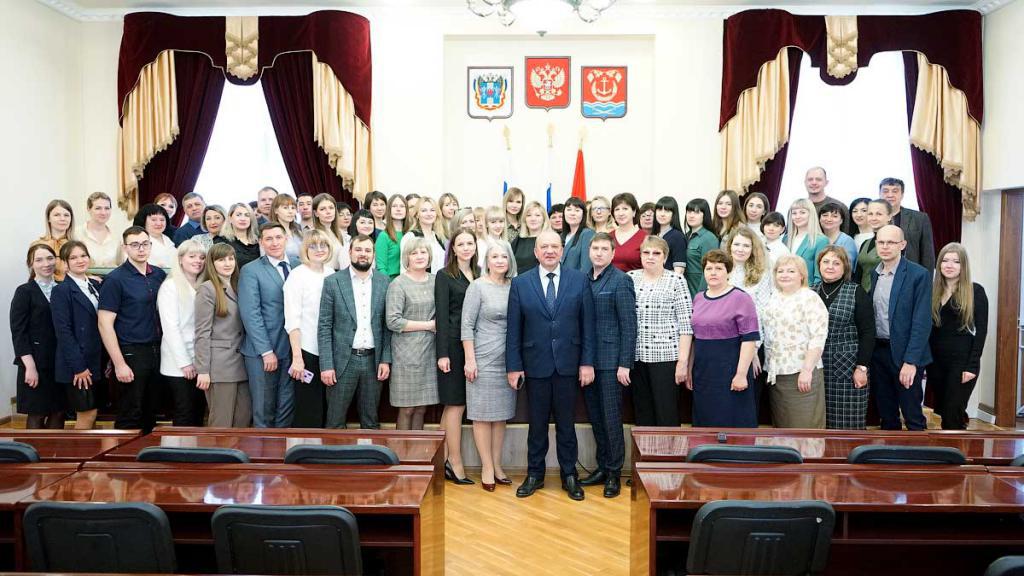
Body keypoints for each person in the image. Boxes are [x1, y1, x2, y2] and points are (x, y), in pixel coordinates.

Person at [507, 229, 596, 501]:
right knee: (537, 425)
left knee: (567, 425)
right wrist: (514, 366)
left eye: (554, 246)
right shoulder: (520, 283)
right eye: (544, 247)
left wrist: (587, 363)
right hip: (535, 365)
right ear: (536, 252)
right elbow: (514, 329)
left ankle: (570, 474)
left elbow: (588, 326)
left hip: (569, 365)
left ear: (562, 251)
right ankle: (535, 474)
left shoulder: (579, 280)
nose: (549, 251)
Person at [581, 233, 636, 498]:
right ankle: (602, 467)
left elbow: (629, 325)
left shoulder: (621, 280)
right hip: (587, 361)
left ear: (613, 254)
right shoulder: (583, 279)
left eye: (605, 249)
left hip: (612, 362)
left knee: (612, 419)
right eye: (596, 248)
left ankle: (614, 472)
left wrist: (625, 363)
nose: (599, 252)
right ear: (589, 251)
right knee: (596, 418)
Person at [98, 226, 168, 432]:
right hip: (131, 352)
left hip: (157, 350)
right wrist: (119, 363)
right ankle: (124, 453)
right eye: (135, 245)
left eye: (145, 244)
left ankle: (147, 452)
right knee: (130, 413)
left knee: (151, 412)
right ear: (125, 248)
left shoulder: (158, 275)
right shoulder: (115, 279)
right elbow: (104, 324)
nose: (141, 249)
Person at [320, 235, 392, 429]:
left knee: (371, 422)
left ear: (373, 255)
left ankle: (370, 450)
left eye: (368, 250)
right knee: (335, 421)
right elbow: (324, 326)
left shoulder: (384, 282)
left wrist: (385, 359)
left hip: (373, 361)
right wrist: (326, 365)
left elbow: (387, 326)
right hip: (342, 362)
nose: (363, 254)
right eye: (358, 249)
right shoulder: (333, 282)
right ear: (350, 252)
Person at [462, 239, 517, 492]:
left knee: (500, 416)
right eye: (494, 257)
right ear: (487, 261)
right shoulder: (477, 286)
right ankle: (486, 467)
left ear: (510, 261)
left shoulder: (515, 286)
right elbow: (466, 326)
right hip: (482, 359)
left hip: (508, 361)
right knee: (482, 416)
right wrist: (470, 359)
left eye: (504, 257)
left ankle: (497, 465)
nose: (500, 261)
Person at [870, 225, 933, 431]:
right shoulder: (874, 273)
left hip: (906, 355)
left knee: (912, 415)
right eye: (881, 242)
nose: (885, 246)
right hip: (879, 352)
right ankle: (889, 451)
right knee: (887, 415)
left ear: (902, 245)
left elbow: (922, 322)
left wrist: (911, 361)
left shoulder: (918, 275)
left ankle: (919, 452)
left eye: (891, 242)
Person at [690, 250, 759, 427]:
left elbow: (749, 339)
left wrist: (741, 374)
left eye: (719, 268)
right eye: (709, 268)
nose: (713, 273)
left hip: (730, 373)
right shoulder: (698, 298)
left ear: (728, 271)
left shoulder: (741, 298)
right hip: (704, 374)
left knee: (733, 424)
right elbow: (694, 338)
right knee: (705, 424)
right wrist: (689, 369)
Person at [628, 236, 692, 426]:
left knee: (667, 413)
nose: (650, 257)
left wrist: (683, 362)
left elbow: (686, 324)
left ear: (665, 257)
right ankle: (646, 447)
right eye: (646, 252)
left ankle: (669, 448)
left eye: (656, 253)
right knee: (642, 414)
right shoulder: (630, 278)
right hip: (636, 357)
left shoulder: (676, 280)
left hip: (665, 357)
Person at [761, 255, 829, 428]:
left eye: (791, 271)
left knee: (804, 429)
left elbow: (818, 337)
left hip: (801, 373)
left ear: (802, 275)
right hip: (776, 374)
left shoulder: (809, 298)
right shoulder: (773, 298)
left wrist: (807, 370)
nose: (784, 275)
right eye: (780, 271)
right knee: (782, 430)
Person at [239, 223, 295, 428]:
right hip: (263, 352)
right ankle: (263, 449)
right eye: (268, 239)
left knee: (287, 407)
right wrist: (266, 351)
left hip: (292, 349)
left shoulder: (298, 265)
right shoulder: (251, 270)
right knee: (264, 410)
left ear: (286, 238)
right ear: (261, 242)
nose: (274, 243)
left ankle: (282, 448)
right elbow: (250, 314)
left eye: (278, 237)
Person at [928, 243, 988, 430]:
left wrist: (972, 366)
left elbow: (981, 332)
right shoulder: (932, 291)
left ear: (964, 266)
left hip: (962, 362)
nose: (949, 265)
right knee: (944, 411)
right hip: (935, 362)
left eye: (956, 261)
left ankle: (956, 447)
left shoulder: (975, 291)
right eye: (945, 260)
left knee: (952, 414)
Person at [813, 246, 875, 430]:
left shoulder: (856, 292)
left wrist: (862, 367)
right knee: (817, 422)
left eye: (836, 263)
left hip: (847, 369)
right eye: (826, 262)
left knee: (847, 424)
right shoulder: (810, 292)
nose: (830, 266)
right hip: (816, 367)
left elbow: (868, 333)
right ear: (819, 265)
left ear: (845, 267)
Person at [436, 230, 479, 485]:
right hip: (452, 348)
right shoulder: (444, 276)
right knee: (456, 404)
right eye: (460, 244)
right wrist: (442, 354)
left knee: (453, 406)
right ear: (452, 248)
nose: (465, 247)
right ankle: (455, 461)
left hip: (473, 346)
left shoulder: (480, 273)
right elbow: (442, 316)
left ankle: (440, 461)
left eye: (469, 243)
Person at [194, 243, 251, 427]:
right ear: (212, 263)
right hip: (220, 366)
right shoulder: (207, 289)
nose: (227, 263)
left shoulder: (238, 285)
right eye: (221, 260)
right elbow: (202, 332)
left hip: (242, 363)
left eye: (230, 258)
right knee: (221, 422)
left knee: (243, 419)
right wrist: (203, 370)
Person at [386, 237, 439, 430]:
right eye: (414, 253)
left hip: (429, 353)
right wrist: (428, 325)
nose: (419, 256)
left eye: (423, 252)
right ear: (406, 257)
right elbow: (393, 321)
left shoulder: (436, 280)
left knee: (422, 409)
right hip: (406, 355)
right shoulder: (398, 284)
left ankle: (418, 449)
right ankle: (401, 449)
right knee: (407, 409)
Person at [284, 230, 335, 428]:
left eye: (323, 245)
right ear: (305, 249)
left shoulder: (331, 274)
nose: (319, 249)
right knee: (308, 409)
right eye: (313, 246)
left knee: (326, 408)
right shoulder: (297, 276)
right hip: (306, 351)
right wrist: (298, 358)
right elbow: (292, 321)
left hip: (329, 352)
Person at [11, 243, 64, 429]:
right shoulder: (24, 292)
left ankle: (55, 449)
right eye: (39, 260)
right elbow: (18, 332)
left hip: (59, 362)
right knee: (37, 412)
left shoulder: (62, 288)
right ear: (31, 264)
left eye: (50, 258)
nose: (46, 264)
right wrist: (30, 367)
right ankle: (30, 449)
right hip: (35, 363)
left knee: (59, 411)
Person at [51, 241, 102, 429]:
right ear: (65, 263)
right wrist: (79, 367)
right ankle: (79, 448)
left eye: (83, 255)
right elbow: (63, 332)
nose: (80, 260)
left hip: (95, 360)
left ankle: (89, 449)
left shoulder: (95, 285)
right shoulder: (61, 291)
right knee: (87, 414)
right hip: (77, 364)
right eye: (73, 257)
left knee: (94, 414)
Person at [156, 239, 207, 426]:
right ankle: (178, 446)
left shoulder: (202, 285)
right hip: (179, 364)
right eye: (192, 256)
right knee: (185, 413)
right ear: (180, 259)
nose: (198, 261)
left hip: (199, 358)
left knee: (198, 413)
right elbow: (171, 328)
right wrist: (184, 363)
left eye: (201, 257)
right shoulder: (170, 286)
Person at [879, 177, 936, 270]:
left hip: (910, 273)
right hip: (880, 272)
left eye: (895, 191)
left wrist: (926, 278)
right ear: (880, 194)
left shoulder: (920, 218)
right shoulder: (872, 218)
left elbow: (927, 254)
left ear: (902, 195)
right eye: (885, 191)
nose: (890, 195)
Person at [785, 198, 829, 285]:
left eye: (802, 212)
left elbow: (819, 275)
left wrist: (813, 291)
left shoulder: (821, 240)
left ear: (811, 214)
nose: (797, 216)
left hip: (807, 289)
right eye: (794, 213)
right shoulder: (786, 238)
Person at [401, 196, 447, 274]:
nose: (429, 214)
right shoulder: (410, 237)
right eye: (424, 210)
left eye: (432, 210)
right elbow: (404, 267)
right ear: (417, 215)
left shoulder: (438, 237)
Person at [855, 199, 893, 292]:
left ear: (889, 216)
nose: (873, 218)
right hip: (864, 294)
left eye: (878, 214)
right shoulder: (866, 243)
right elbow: (859, 274)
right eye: (870, 214)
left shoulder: (895, 242)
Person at [684, 198, 718, 297]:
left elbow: (710, 270)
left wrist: (701, 296)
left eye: (697, 212)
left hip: (698, 293)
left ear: (705, 215)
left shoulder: (709, 238)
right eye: (689, 212)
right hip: (684, 294)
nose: (691, 215)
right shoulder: (685, 236)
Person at [79, 192, 120, 268]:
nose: (103, 212)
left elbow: (121, 263)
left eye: (107, 208)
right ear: (88, 209)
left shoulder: (117, 236)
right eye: (98, 208)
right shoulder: (76, 234)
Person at [215, 203, 261, 270]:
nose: (243, 219)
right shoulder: (220, 242)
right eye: (238, 215)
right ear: (230, 218)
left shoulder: (259, 241)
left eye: (247, 215)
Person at [38, 199, 75, 281]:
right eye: (57, 215)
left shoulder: (77, 246)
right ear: (48, 218)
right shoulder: (38, 245)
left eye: (66, 215)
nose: (62, 218)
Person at [610, 192, 646, 272]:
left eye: (625, 209)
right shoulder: (608, 237)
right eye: (617, 209)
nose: (621, 213)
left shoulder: (645, 238)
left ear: (634, 212)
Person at [313, 193, 350, 270]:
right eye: (323, 209)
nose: (328, 212)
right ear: (316, 213)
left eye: (331, 208)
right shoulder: (314, 235)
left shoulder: (339, 233)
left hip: (340, 273)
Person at [132, 203, 176, 269]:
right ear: (144, 221)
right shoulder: (137, 239)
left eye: (162, 220)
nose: (159, 223)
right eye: (153, 220)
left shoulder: (167, 238)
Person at [818, 201, 858, 270]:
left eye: (834, 216)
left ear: (841, 220)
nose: (829, 219)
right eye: (825, 215)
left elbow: (848, 268)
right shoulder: (816, 239)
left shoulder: (847, 241)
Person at [375, 194, 408, 278]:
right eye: (394, 206)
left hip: (409, 280)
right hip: (390, 280)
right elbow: (381, 267)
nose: (398, 209)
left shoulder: (410, 234)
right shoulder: (384, 236)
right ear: (389, 210)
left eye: (402, 206)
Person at [653, 196, 687, 275]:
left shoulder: (677, 237)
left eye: (667, 211)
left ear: (673, 214)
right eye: (659, 210)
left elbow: (679, 272)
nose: (662, 214)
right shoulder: (654, 235)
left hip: (668, 281)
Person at [511, 201, 547, 273]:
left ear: (544, 219)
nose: (533, 219)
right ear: (525, 219)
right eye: (529, 215)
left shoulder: (549, 240)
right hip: (519, 278)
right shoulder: (518, 240)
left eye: (537, 215)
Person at [561, 197, 594, 274]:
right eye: (569, 209)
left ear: (583, 214)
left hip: (577, 280)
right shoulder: (561, 236)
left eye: (577, 210)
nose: (572, 213)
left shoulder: (587, 234)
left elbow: (586, 268)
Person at [269, 194, 303, 265]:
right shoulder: (270, 232)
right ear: (275, 210)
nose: (290, 211)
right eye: (285, 208)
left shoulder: (298, 229)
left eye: (293, 208)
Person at [478, 206, 508, 272]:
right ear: (486, 224)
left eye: (501, 221)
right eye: (493, 222)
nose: (498, 226)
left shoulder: (506, 244)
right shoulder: (481, 244)